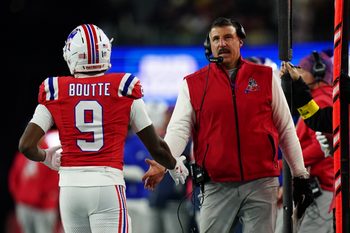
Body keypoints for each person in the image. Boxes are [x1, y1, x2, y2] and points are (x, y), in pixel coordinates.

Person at [142, 17, 314, 233]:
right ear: (209, 45)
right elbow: (178, 130)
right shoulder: (193, 84)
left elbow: (286, 128)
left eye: (227, 37)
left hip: (261, 183)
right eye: (216, 39)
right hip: (216, 184)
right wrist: (162, 164)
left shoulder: (265, 76)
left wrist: (300, 175)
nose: (221, 43)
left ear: (240, 41)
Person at [18, 24, 188, 233]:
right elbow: (157, 148)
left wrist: (45, 157)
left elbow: (26, 145)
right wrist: (174, 165)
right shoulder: (123, 87)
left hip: (70, 189)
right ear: (105, 51)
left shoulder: (54, 89)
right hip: (107, 186)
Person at [278, 51, 334, 233]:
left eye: (302, 69)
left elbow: (320, 146)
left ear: (317, 71)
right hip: (315, 187)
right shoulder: (318, 98)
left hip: (321, 188)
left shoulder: (323, 99)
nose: (298, 73)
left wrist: (285, 165)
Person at [9, 129, 61, 233]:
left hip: (43, 206)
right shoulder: (24, 152)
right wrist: (19, 197)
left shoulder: (49, 153)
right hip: (24, 205)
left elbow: (53, 181)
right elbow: (14, 176)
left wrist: (40, 196)